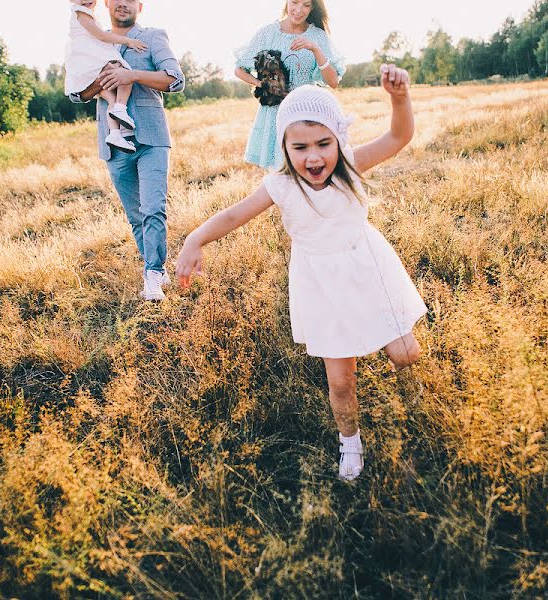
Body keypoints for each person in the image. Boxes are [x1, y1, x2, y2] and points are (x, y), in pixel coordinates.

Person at [175, 65, 426, 481]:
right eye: (301, 146)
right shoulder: (281, 186)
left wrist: (399, 99)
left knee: (405, 354)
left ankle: (413, 398)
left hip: (368, 271)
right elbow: (235, 214)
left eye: (324, 143)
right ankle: (350, 442)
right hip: (322, 287)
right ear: (284, 147)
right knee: (342, 380)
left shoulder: (350, 165)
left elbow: (399, 137)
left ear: (338, 140)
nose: (314, 156)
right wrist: (194, 239)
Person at [70, 0, 185, 302]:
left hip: (150, 138)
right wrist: (101, 82)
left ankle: (153, 275)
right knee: (136, 216)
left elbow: (175, 79)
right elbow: (76, 93)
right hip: (114, 143)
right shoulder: (91, 36)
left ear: (140, 6)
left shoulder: (152, 37)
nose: (123, 3)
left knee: (153, 209)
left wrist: (131, 75)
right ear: (106, 4)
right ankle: (156, 266)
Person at [234, 0, 346, 169]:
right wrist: (263, 84)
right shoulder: (268, 33)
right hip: (274, 113)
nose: (299, 10)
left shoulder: (318, 36)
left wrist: (315, 49)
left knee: (305, 170)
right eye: (294, 2)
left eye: (306, 5)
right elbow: (239, 70)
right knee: (278, 176)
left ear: (313, 7)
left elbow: (333, 82)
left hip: (305, 111)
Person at [64, 0, 148, 154]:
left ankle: (115, 134)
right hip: (89, 60)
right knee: (124, 73)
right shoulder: (81, 13)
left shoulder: (84, 14)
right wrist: (128, 41)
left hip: (85, 64)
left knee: (111, 99)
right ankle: (121, 108)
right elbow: (101, 36)